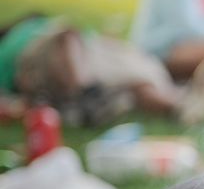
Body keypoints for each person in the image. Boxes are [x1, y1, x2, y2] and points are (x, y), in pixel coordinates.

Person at [0, 13, 181, 125]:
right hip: (77, 56)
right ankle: (177, 103)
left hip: (77, 60)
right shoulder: (32, 28)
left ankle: (86, 88)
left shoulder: (11, 46)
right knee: (134, 82)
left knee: (132, 86)